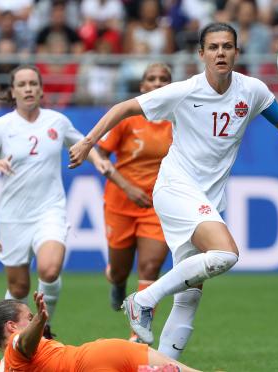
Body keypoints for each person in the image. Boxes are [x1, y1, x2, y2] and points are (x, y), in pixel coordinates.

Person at [68, 22, 278, 358]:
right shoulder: (184, 90)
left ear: (236, 53)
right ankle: (142, 299)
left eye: (227, 46)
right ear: (201, 54)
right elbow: (123, 108)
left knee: (190, 296)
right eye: (213, 47)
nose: (220, 53)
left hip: (207, 197)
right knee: (226, 254)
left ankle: (162, 366)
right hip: (175, 189)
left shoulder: (252, 90)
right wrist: (87, 143)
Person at [0, 65, 111, 339]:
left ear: (41, 89)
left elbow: (82, 143)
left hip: (50, 210)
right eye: (22, 84)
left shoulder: (56, 121)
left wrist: (98, 161)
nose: (28, 89)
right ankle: (10, 341)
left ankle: (42, 331)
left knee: (49, 268)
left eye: (33, 83)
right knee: (19, 288)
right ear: (13, 91)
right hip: (14, 216)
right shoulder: (2, 126)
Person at [97, 63, 172, 332]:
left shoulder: (180, 120)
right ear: (142, 87)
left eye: (163, 79)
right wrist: (127, 187)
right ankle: (117, 283)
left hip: (158, 205)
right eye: (151, 79)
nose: (157, 83)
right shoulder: (127, 117)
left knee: (150, 268)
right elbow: (101, 156)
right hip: (121, 203)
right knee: (119, 271)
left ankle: (137, 335)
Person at [0, 291, 200, 371]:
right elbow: (24, 343)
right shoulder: (14, 352)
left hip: (96, 361)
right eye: (29, 318)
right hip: (107, 351)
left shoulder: (8, 361)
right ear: (11, 326)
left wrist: (38, 322)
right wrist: (41, 320)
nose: (34, 321)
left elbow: (24, 343)